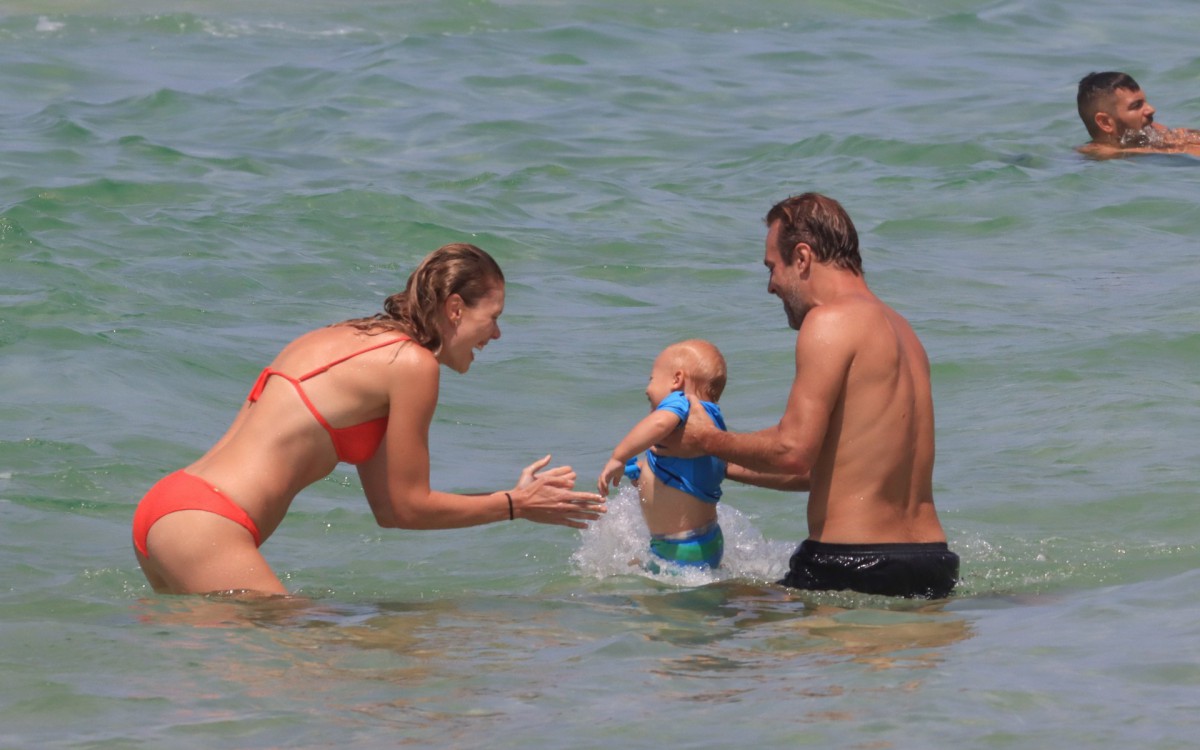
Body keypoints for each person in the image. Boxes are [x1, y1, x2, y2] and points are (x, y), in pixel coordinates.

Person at [132, 242, 606, 596]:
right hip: (207, 527)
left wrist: (513, 499)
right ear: (456, 308)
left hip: (171, 507)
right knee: (334, 671)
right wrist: (515, 505)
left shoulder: (349, 339)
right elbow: (407, 507)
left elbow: (392, 508)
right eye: (494, 317)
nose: (497, 334)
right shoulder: (412, 364)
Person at [666, 193, 959, 599]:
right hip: (931, 564)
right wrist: (713, 462)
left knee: (693, 614)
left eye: (772, 267)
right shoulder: (903, 332)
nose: (770, 286)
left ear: (802, 257)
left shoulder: (829, 320)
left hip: (849, 564)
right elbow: (820, 472)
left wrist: (705, 437)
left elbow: (792, 451)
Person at [597, 339, 729, 571]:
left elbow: (658, 423)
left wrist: (618, 456)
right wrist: (645, 474)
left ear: (677, 380)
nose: (648, 387)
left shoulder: (681, 402)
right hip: (702, 540)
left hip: (680, 548)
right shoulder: (706, 422)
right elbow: (685, 479)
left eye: (652, 379)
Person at [1076, 71, 1200, 158]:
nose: (1151, 109)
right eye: (1136, 106)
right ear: (1105, 122)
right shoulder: (1100, 153)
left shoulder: (1149, 130)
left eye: (1145, 102)